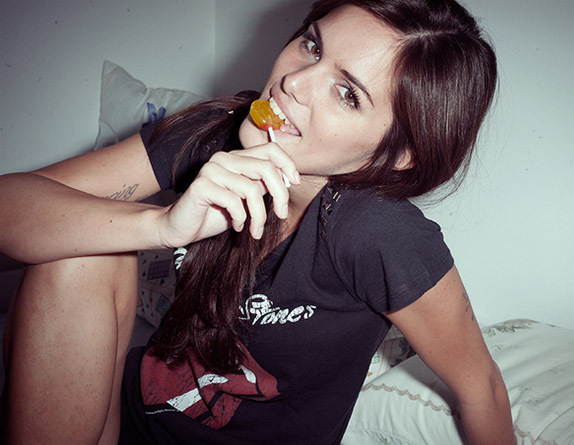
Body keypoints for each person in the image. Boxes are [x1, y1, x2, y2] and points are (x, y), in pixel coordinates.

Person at [0, 0, 514, 443]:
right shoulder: (215, 133)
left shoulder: (380, 233)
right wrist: (160, 227)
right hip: (126, 417)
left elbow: (482, 389)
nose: (293, 82)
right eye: (312, 46)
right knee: (82, 244)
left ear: (399, 153)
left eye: (348, 94)